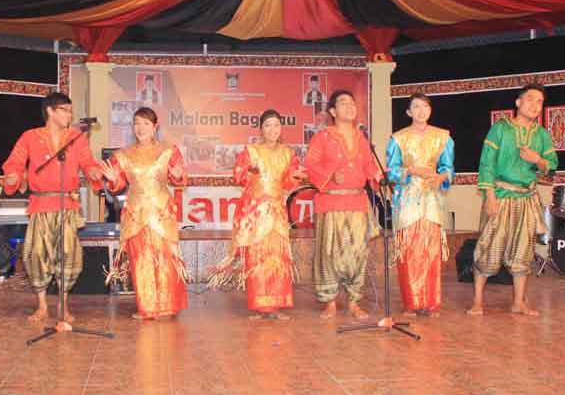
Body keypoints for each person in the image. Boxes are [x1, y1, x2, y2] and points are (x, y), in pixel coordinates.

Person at [2, 92, 102, 324]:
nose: (69, 115)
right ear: (50, 111)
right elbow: (15, 162)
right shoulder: (30, 136)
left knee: (68, 254)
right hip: (40, 204)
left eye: (70, 111)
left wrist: (93, 172)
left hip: (67, 205)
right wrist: (13, 176)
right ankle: (42, 306)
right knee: (37, 254)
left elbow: (88, 162)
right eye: (65, 110)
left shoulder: (76, 138)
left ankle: (63, 306)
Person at [469, 84, 558, 317]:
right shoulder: (500, 129)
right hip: (500, 196)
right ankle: (477, 301)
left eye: (540, 102)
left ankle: (518, 302)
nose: (535, 105)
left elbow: (551, 167)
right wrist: (489, 197)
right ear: (518, 102)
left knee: (523, 251)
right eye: (530, 99)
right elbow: (486, 164)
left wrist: (537, 159)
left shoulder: (542, 135)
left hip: (527, 199)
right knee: (489, 247)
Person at [208, 109, 306, 319]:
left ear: (281, 129)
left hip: (277, 213)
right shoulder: (251, 151)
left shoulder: (288, 154)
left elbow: (289, 182)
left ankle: (276, 305)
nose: (272, 129)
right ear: (261, 129)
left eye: (276, 125)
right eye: (268, 125)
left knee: (277, 258)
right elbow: (238, 176)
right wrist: (248, 170)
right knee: (257, 259)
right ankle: (260, 306)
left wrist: (296, 176)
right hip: (255, 213)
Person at [100, 107, 188, 320]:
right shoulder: (123, 155)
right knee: (141, 259)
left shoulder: (168, 150)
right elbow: (119, 184)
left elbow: (179, 179)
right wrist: (113, 179)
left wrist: (178, 176)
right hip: (136, 213)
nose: (141, 128)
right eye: (137, 123)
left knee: (164, 258)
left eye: (146, 123)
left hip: (161, 212)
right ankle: (147, 308)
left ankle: (167, 306)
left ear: (155, 126)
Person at [305, 90, 381, 319]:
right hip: (331, 201)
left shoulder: (362, 138)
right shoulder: (323, 137)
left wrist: (378, 175)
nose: (349, 107)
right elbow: (310, 165)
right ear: (332, 111)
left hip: (357, 202)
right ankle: (329, 302)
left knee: (357, 253)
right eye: (343, 103)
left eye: (352, 103)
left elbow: (370, 166)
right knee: (329, 254)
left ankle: (354, 301)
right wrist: (330, 176)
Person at [386, 93, 454, 317]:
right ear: (409, 112)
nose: (421, 110)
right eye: (416, 106)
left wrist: (442, 177)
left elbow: (448, 168)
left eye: (425, 106)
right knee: (410, 252)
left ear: (430, 110)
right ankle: (411, 303)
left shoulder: (443, 137)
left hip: (432, 199)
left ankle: (431, 303)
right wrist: (411, 170)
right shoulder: (399, 139)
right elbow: (391, 171)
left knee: (431, 252)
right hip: (408, 200)